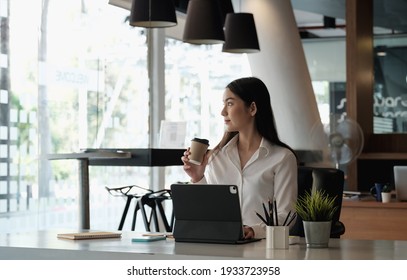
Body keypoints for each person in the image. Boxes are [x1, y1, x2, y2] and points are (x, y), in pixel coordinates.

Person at [181, 77, 298, 239]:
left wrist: (253, 231)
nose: (223, 112)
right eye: (224, 104)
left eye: (229, 103)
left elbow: (287, 216)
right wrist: (198, 177)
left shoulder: (282, 158)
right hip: (220, 246)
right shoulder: (216, 158)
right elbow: (208, 214)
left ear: (252, 108)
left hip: (263, 249)